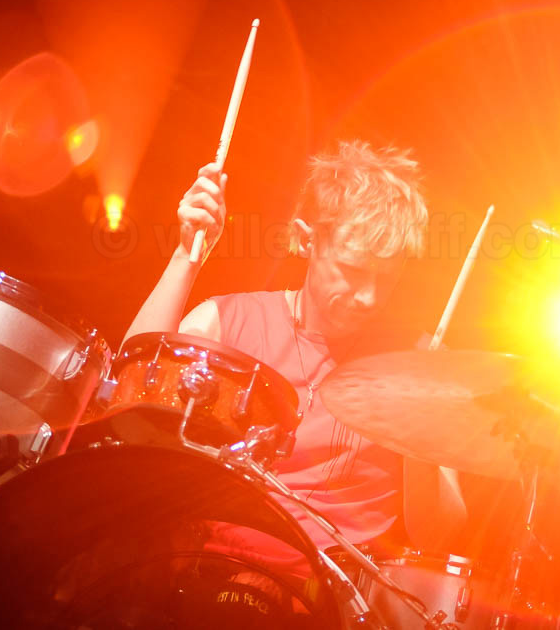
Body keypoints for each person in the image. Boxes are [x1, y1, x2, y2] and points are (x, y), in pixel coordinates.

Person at [123, 139, 467, 561]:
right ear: (306, 241)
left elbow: (441, 537)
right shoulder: (227, 322)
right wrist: (185, 257)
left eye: (388, 278)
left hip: (339, 590)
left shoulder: (420, 363)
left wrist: (419, 440)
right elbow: (127, 399)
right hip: (209, 570)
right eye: (353, 270)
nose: (370, 297)